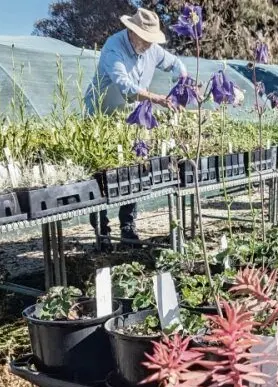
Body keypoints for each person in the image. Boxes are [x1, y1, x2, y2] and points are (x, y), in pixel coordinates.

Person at [85, 8, 187, 244]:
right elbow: (126, 86)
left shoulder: (151, 48)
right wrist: (158, 98)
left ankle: (128, 228)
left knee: (133, 167)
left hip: (131, 117)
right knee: (102, 171)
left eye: (153, 40)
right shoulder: (114, 48)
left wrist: (182, 83)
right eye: (146, 39)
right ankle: (102, 232)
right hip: (102, 115)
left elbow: (175, 63)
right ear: (132, 32)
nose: (150, 45)